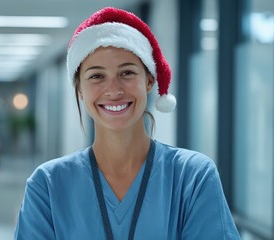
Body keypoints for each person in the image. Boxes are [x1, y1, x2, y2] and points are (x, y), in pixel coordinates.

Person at [14, 7, 240, 240]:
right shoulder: (48, 185)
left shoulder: (192, 177)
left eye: (127, 73)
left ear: (149, 81)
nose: (114, 90)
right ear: (80, 89)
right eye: (96, 76)